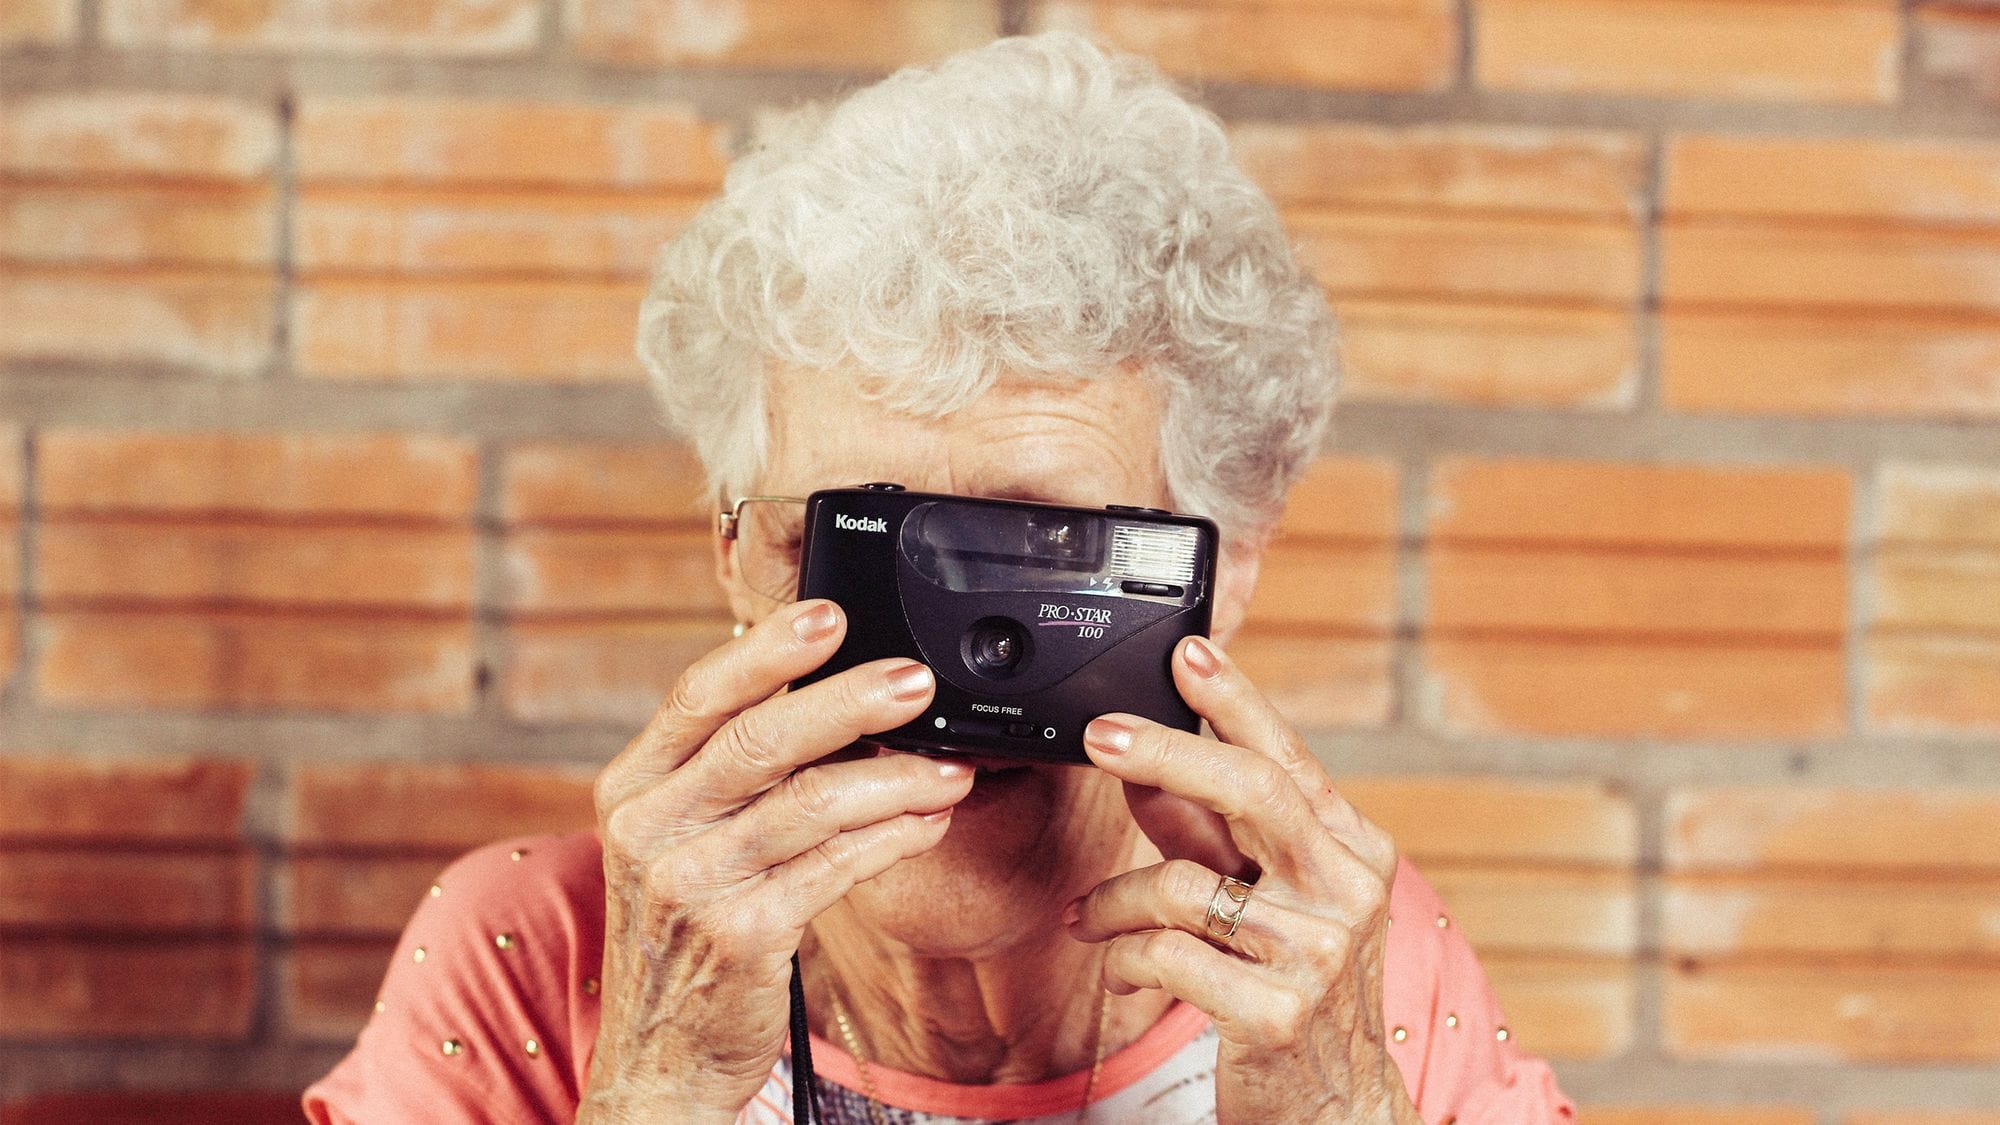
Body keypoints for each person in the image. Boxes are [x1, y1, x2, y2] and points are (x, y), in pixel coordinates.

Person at [305, 31, 1574, 1124]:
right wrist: (659, 1076)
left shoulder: (1341, 958)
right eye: (854, 546)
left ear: (1220, 568)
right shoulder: (537, 949)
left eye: (1039, 552)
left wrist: (1331, 1100)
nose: (933, 671)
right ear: (739, 556)